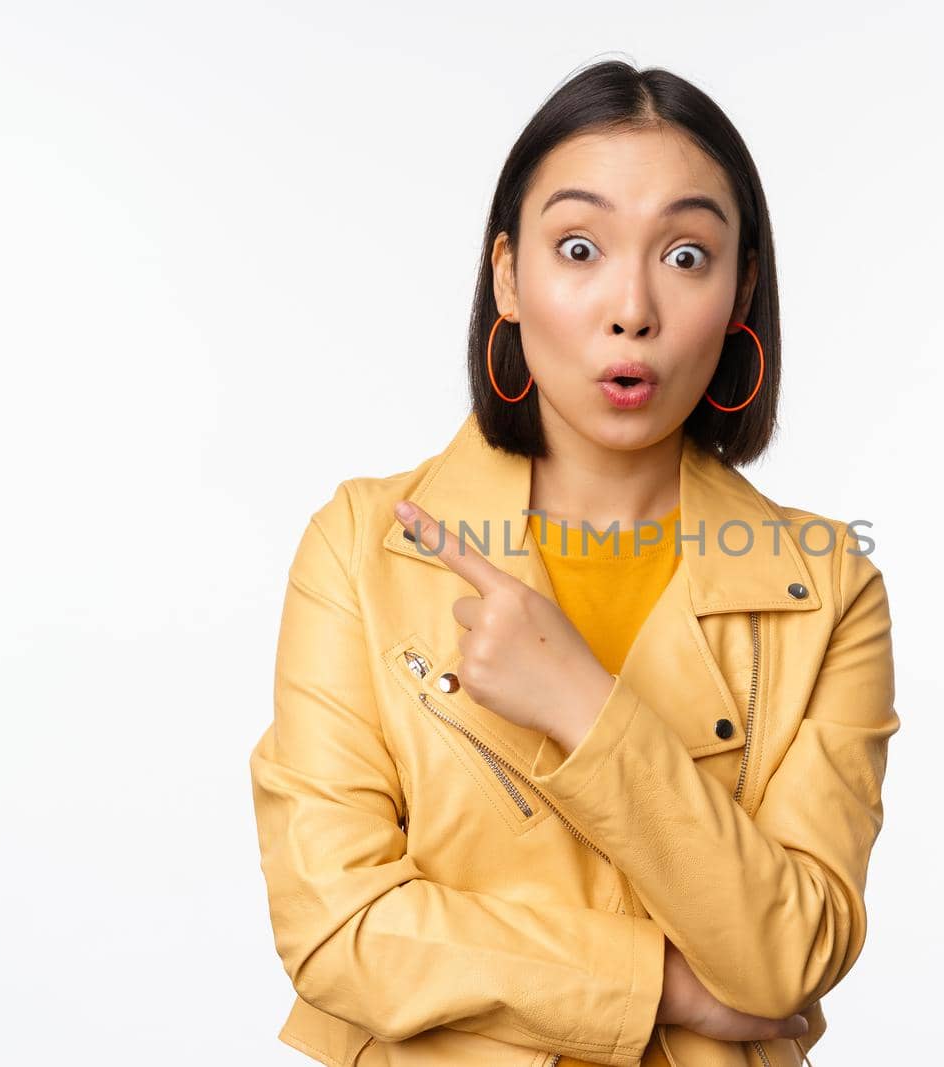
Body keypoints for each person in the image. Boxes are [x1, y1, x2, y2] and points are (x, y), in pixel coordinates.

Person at [249, 59, 899, 1067]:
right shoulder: (361, 547)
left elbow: (789, 953)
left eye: (686, 255)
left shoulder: (823, 586)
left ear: (742, 291)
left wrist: (582, 704)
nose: (630, 307)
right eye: (580, 247)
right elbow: (336, 927)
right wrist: (662, 986)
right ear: (507, 274)